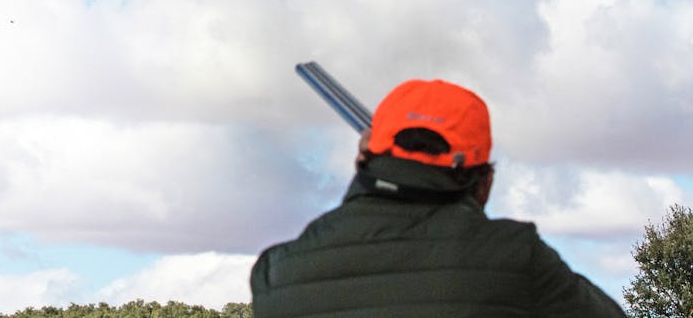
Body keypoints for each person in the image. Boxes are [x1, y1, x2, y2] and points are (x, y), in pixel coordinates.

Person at [250, 78, 626, 317]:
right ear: (486, 183)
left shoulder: (276, 272)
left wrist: (367, 172)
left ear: (362, 158)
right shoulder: (515, 257)